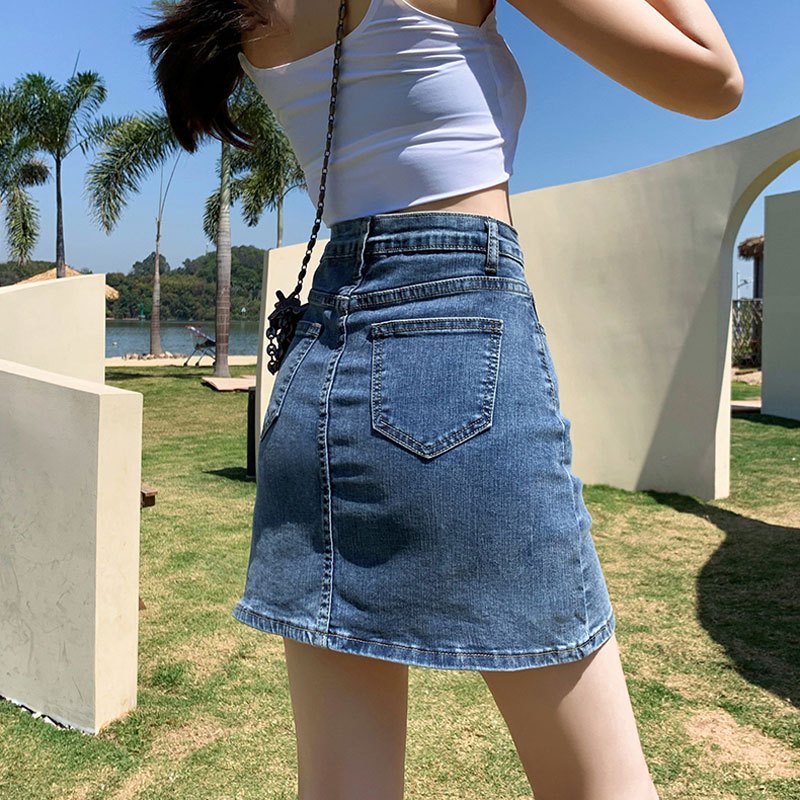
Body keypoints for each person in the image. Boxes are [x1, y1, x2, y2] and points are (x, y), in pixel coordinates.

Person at [136, 2, 743, 798]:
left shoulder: (247, 9)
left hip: (320, 358)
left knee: (342, 786)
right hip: (456, 339)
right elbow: (714, 80)